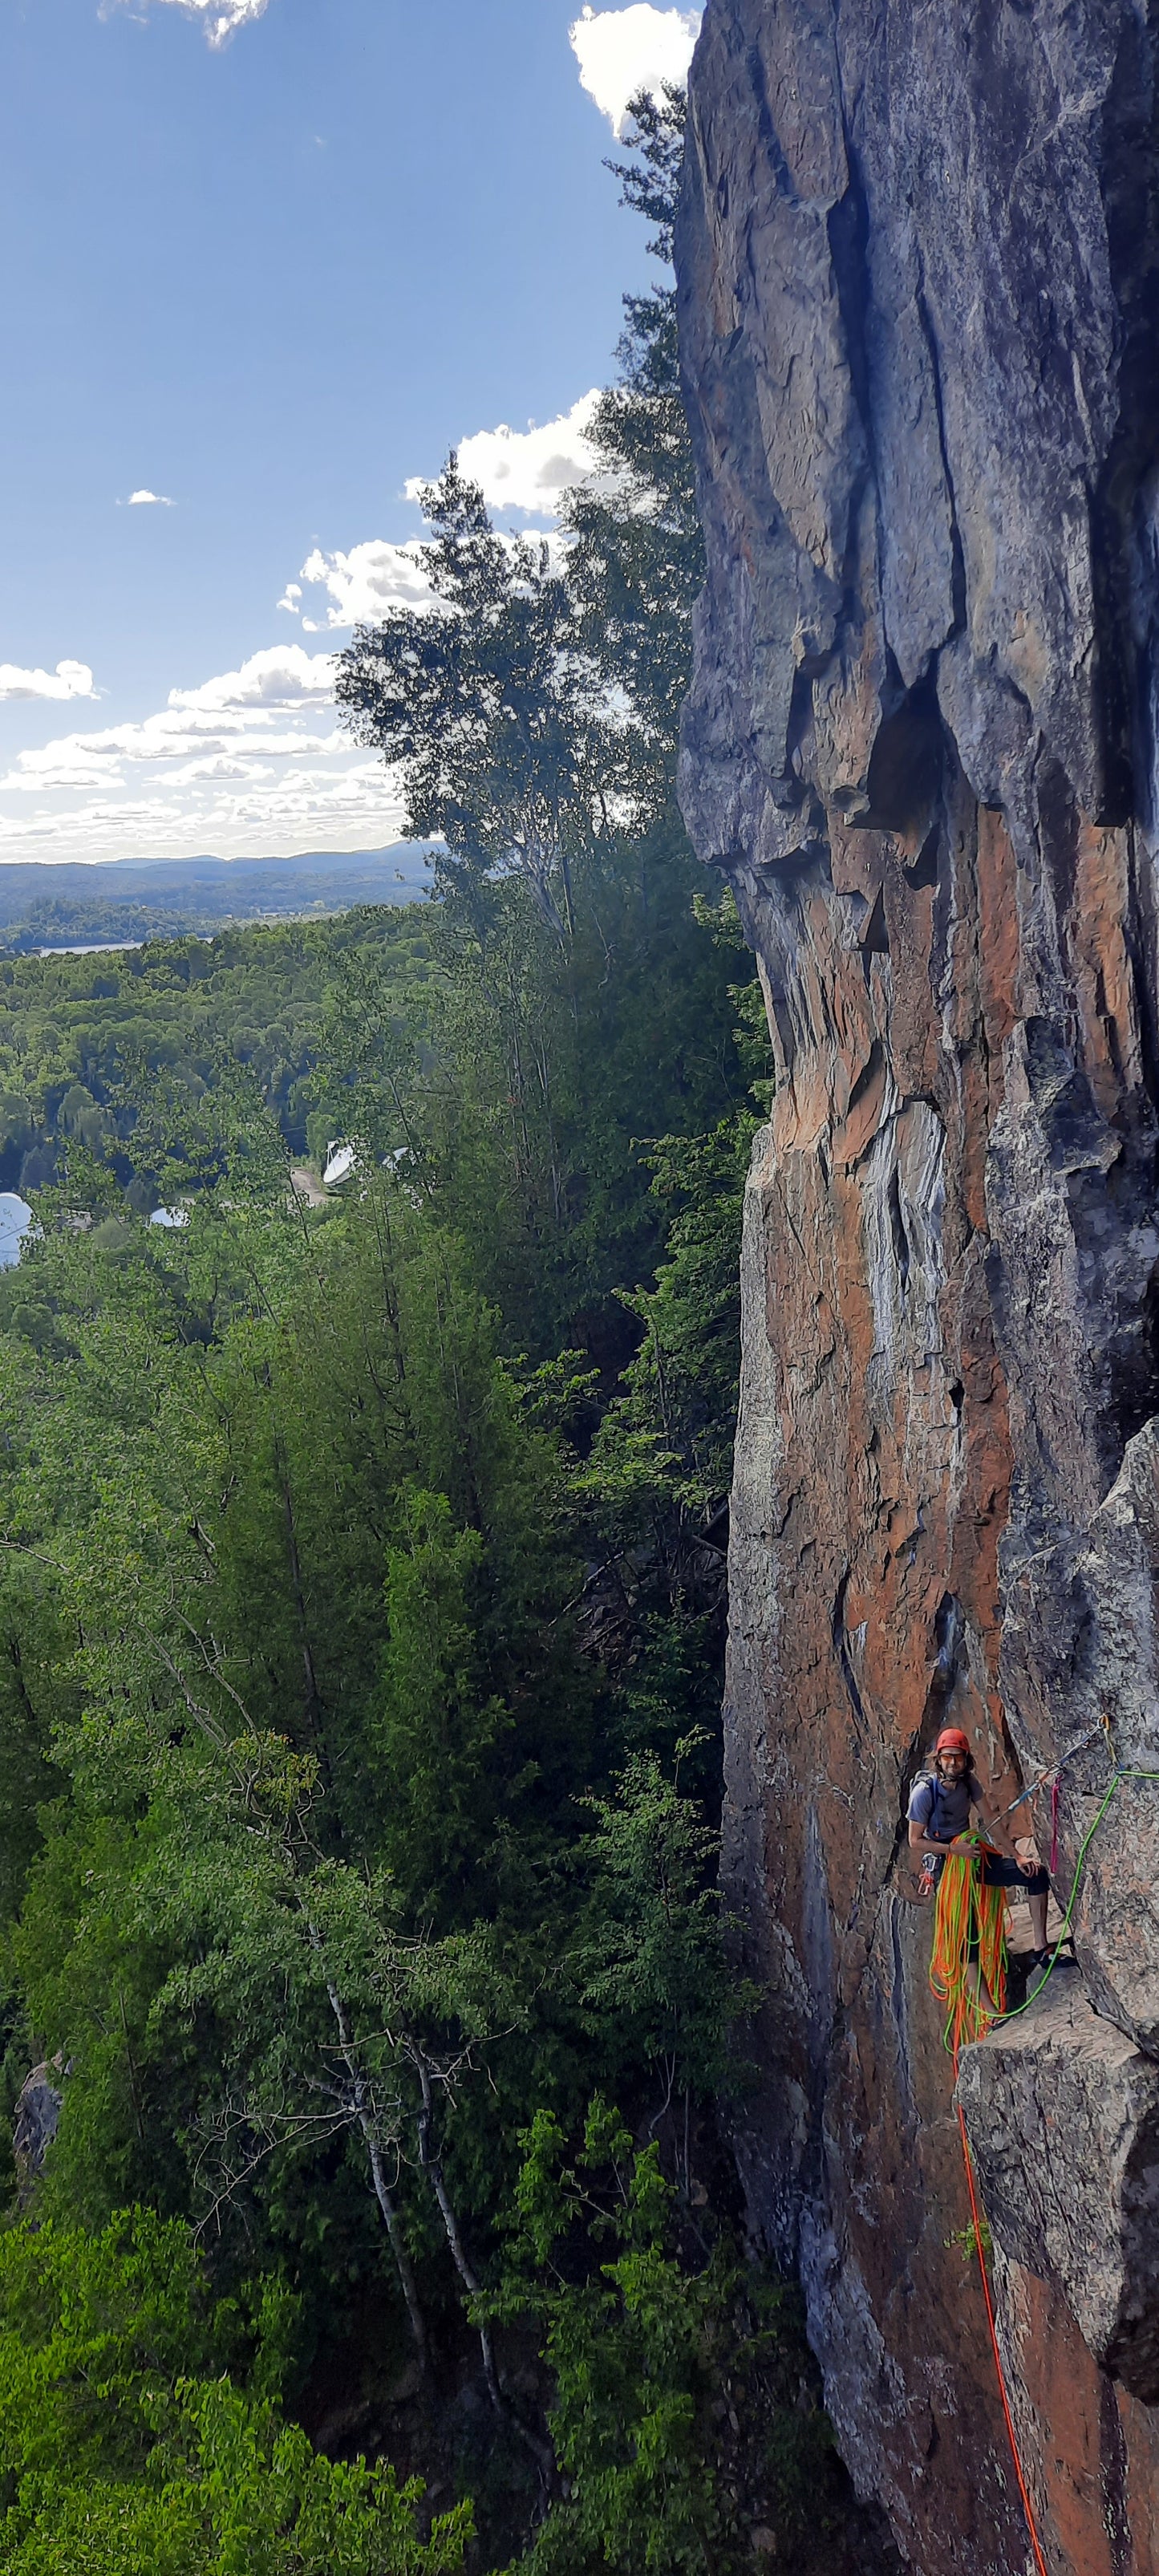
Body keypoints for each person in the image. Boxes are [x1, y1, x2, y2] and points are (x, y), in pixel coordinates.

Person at [908, 1726, 1052, 2010]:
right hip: (947, 1866)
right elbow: (915, 1841)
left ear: (966, 1759)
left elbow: (990, 1820)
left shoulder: (969, 1783)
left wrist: (1016, 1857)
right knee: (967, 1935)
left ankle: (1040, 1948)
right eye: (947, 1757)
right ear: (938, 1759)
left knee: (1037, 1876)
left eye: (958, 1757)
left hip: (972, 1854)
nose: (953, 1763)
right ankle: (991, 2012)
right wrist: (953, 1849)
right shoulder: (924, 1794)